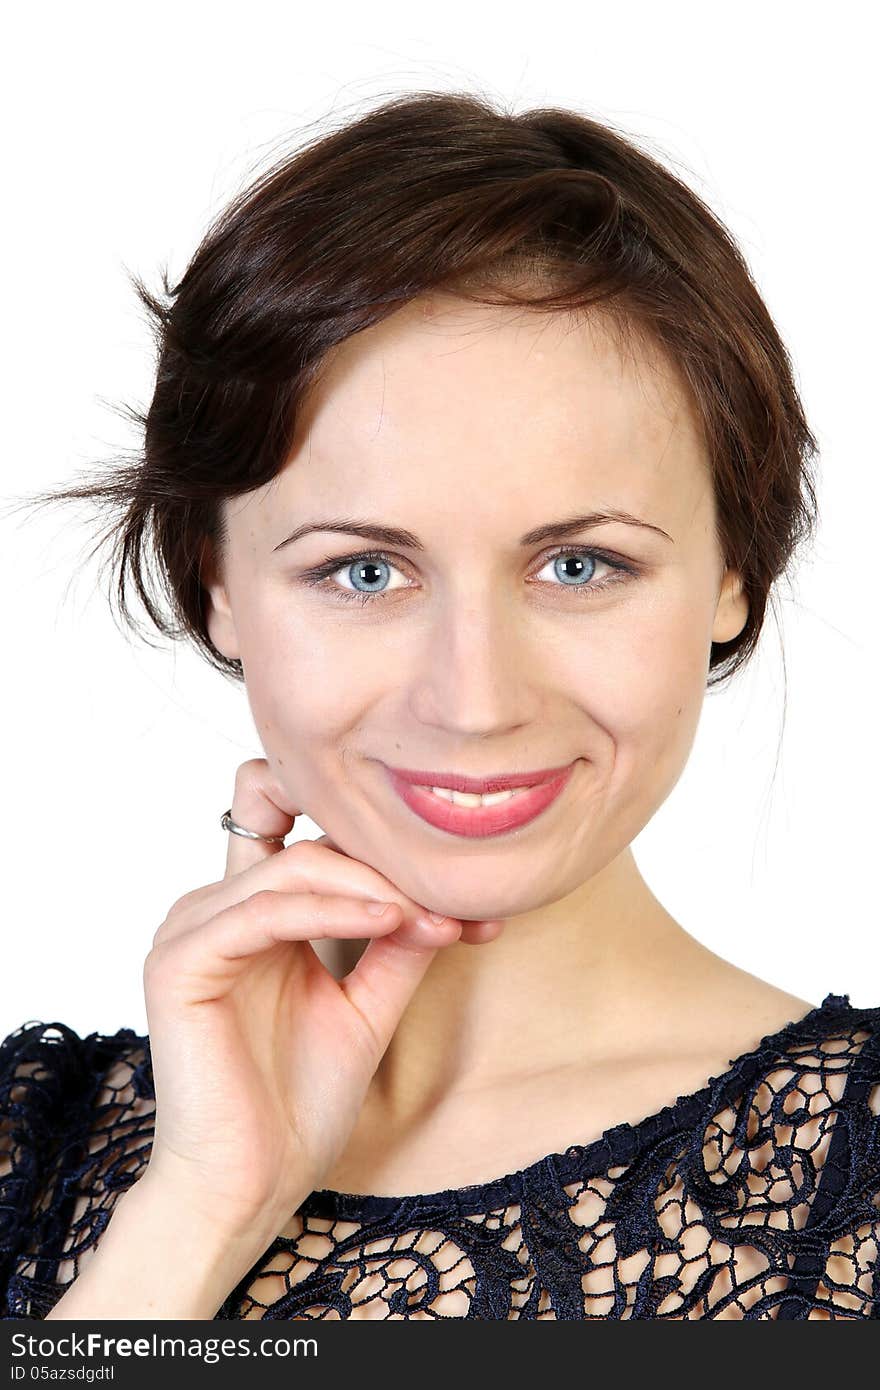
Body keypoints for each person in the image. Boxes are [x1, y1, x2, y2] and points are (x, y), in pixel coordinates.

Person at [1, 90, 878, 1323]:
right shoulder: (26, 1148)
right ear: (219, 590)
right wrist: (200, 1209)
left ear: (734, 571)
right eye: (364, 571)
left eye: (579, 566)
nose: (473, 700)